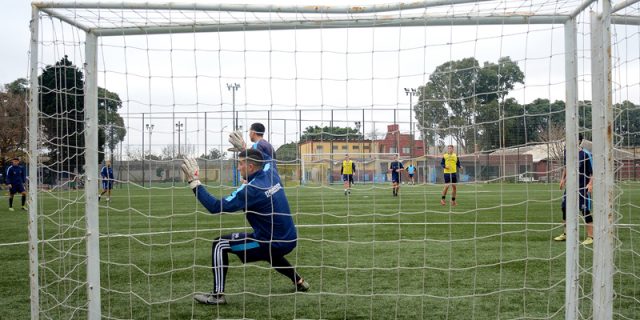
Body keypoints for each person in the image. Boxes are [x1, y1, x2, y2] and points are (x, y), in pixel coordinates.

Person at [183, 149, 309, 305]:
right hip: (290, 238)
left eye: (240, 164)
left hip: (269, 242)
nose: (238, 168)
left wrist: (194, 182)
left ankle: (217, 296)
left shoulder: (250, 190)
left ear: (250, 167)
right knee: (270, 252)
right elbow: (268, 158)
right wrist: (244, 146)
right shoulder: (272, 173)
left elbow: (215, 207)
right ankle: (299, 281)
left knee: (219, 244)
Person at [554, 135, 594, 245]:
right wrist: (563, 179)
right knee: (565, 208)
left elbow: (593, 171)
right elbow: (567, 167)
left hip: (583, 188)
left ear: (579, 141)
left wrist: (590, 184)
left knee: (585, 211)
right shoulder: (567, 152)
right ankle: (566, 234)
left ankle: (591, 237)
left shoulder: (585, 154)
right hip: (570, 187)